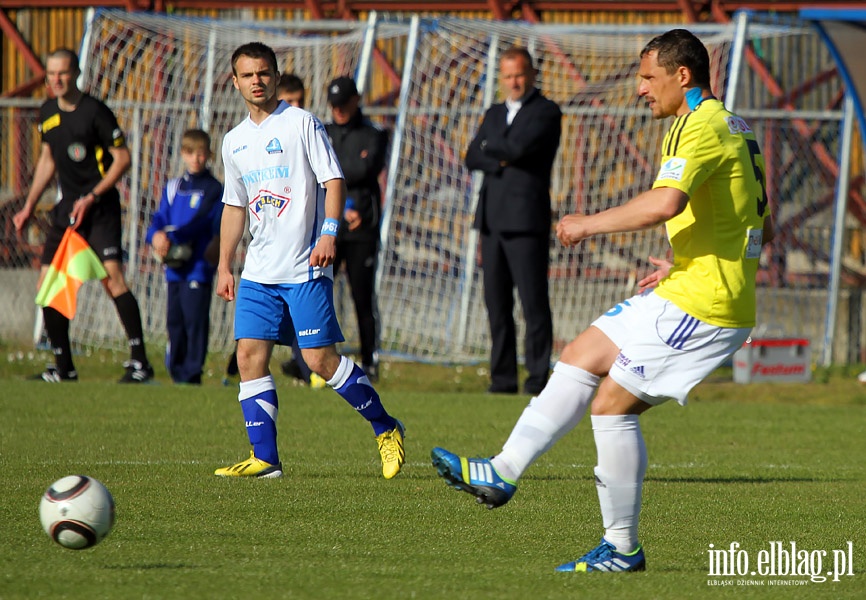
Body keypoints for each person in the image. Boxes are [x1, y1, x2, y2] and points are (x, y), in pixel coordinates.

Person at [431, 29, 774, 572]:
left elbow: (665, 203)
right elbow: (760, 222)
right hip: (689, 284)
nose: (639, 89)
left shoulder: (701, 125)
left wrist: (588, 225)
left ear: (682, 76)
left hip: (706, 305)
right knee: (580, 353)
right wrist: (686, 259)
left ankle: (621, 549)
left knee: (610, 406)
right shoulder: (727, 124)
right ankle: (502, 470)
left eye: (647, 77)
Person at [215, 42, 405, 479]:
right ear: (236, 82)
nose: (257, 81)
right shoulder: (234, 142)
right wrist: (226, 264)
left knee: (319, 361)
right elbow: (234, 206)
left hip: (304, 266)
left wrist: (329, 232)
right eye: (248, 75)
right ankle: (265, 460)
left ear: (276, 77)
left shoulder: (302, 123)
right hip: (259, 272)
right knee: (248, 357)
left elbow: (333, 179)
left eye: (264, 73)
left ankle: (386, 427)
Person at [12, 48, 155, 383]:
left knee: (112, 279)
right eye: (51, 74)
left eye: (62, 73)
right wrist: (29, 206)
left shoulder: (95, 112)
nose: (56, 80)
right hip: (66, 211)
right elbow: (48, 159)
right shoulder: (47, 113)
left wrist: (92, 196)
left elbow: (123, 159)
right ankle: (64, 368)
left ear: (75, 73)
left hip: (100, 208)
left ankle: (140, 364)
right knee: (49, 285)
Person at [465, 46, 562, 395]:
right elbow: (472, 155)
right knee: (497, 305)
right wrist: (496, 155)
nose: (513, 82)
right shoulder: (493, 112)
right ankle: (502, 379)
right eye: (507, 76)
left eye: (519, 74)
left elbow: (520, 150)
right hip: (491, 221)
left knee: (533, 303)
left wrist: (494, 149)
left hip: (526, 221)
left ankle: (537, 379)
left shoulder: (547, 112)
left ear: (532, 74)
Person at [146, 129, 223, 384]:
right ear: (182, 154)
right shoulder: (173, 187)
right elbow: (159, 217)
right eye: (190, 153)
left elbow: (203, 222)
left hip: (198, 265)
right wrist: (155, 235)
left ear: (209, 155)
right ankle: (176, 372)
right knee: (174, 321)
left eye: (201, 154)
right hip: (174, 266)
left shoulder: (213, 189)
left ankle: (192, 373)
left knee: (195, 319)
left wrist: (175, 236)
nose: (196, 159)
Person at [325, 76, 388, 382]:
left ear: (356, 100)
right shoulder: (323, 133)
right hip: (330, 228)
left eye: (343, 104)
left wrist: (355, 207)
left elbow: (366, 170)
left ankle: (370, 359)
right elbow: (319, 174)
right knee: (319, 292)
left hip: (362, 228)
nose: (338, 111)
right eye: (333, 105)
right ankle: (318, 358)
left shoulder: (373, 133)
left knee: (362, 296)